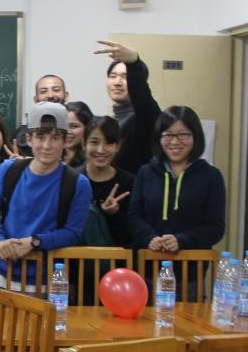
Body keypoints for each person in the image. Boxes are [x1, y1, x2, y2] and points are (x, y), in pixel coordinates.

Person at [0, 102, 92, 290]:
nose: (47, 146)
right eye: (40, 137)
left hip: (48, 281)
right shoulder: (9, 169)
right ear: (29, 139)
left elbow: (73, 232)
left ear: (65, 140)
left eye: (55, 137)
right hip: (2, 275)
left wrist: (34, 242)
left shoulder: (77, 183)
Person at [129, 106, 226, 259]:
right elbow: (134, 217)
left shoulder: (211, 176)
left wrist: (181, 240)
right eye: (167, 135)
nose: (174, 141)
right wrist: (149, 238)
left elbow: (215, 228)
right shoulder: (146, 173)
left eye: (183, 135)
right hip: (149, 262)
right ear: (159, 137)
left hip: (192, 266)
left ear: (195, 137)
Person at [96, 40, 160, 174]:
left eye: (125, 77)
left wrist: (134, 62)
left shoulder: (145, 118)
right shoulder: (109, 121)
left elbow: (142, 98)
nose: (117, 82)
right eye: (113, 76)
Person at [80, 116, 135, 247]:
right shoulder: (72, 179)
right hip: (76, 257)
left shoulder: (128, 182)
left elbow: (132, 233)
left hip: (117, 257)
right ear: (83, 143)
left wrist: (114, 214)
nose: (101, 150)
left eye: (109, 143)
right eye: (94, 142)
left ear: (118, 146)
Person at [13, 74, 69, 154]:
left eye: (56, 90)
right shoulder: (20, 136)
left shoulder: (76, 130)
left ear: (66, 96)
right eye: (43, 91)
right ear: (36, 99)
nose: (50, 95)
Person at [64, 101, 93, 169]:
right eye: (64, 126)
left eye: (74, 126)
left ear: (87, 127)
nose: (68, 131)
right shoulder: (53, 156)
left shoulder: (91, 161)